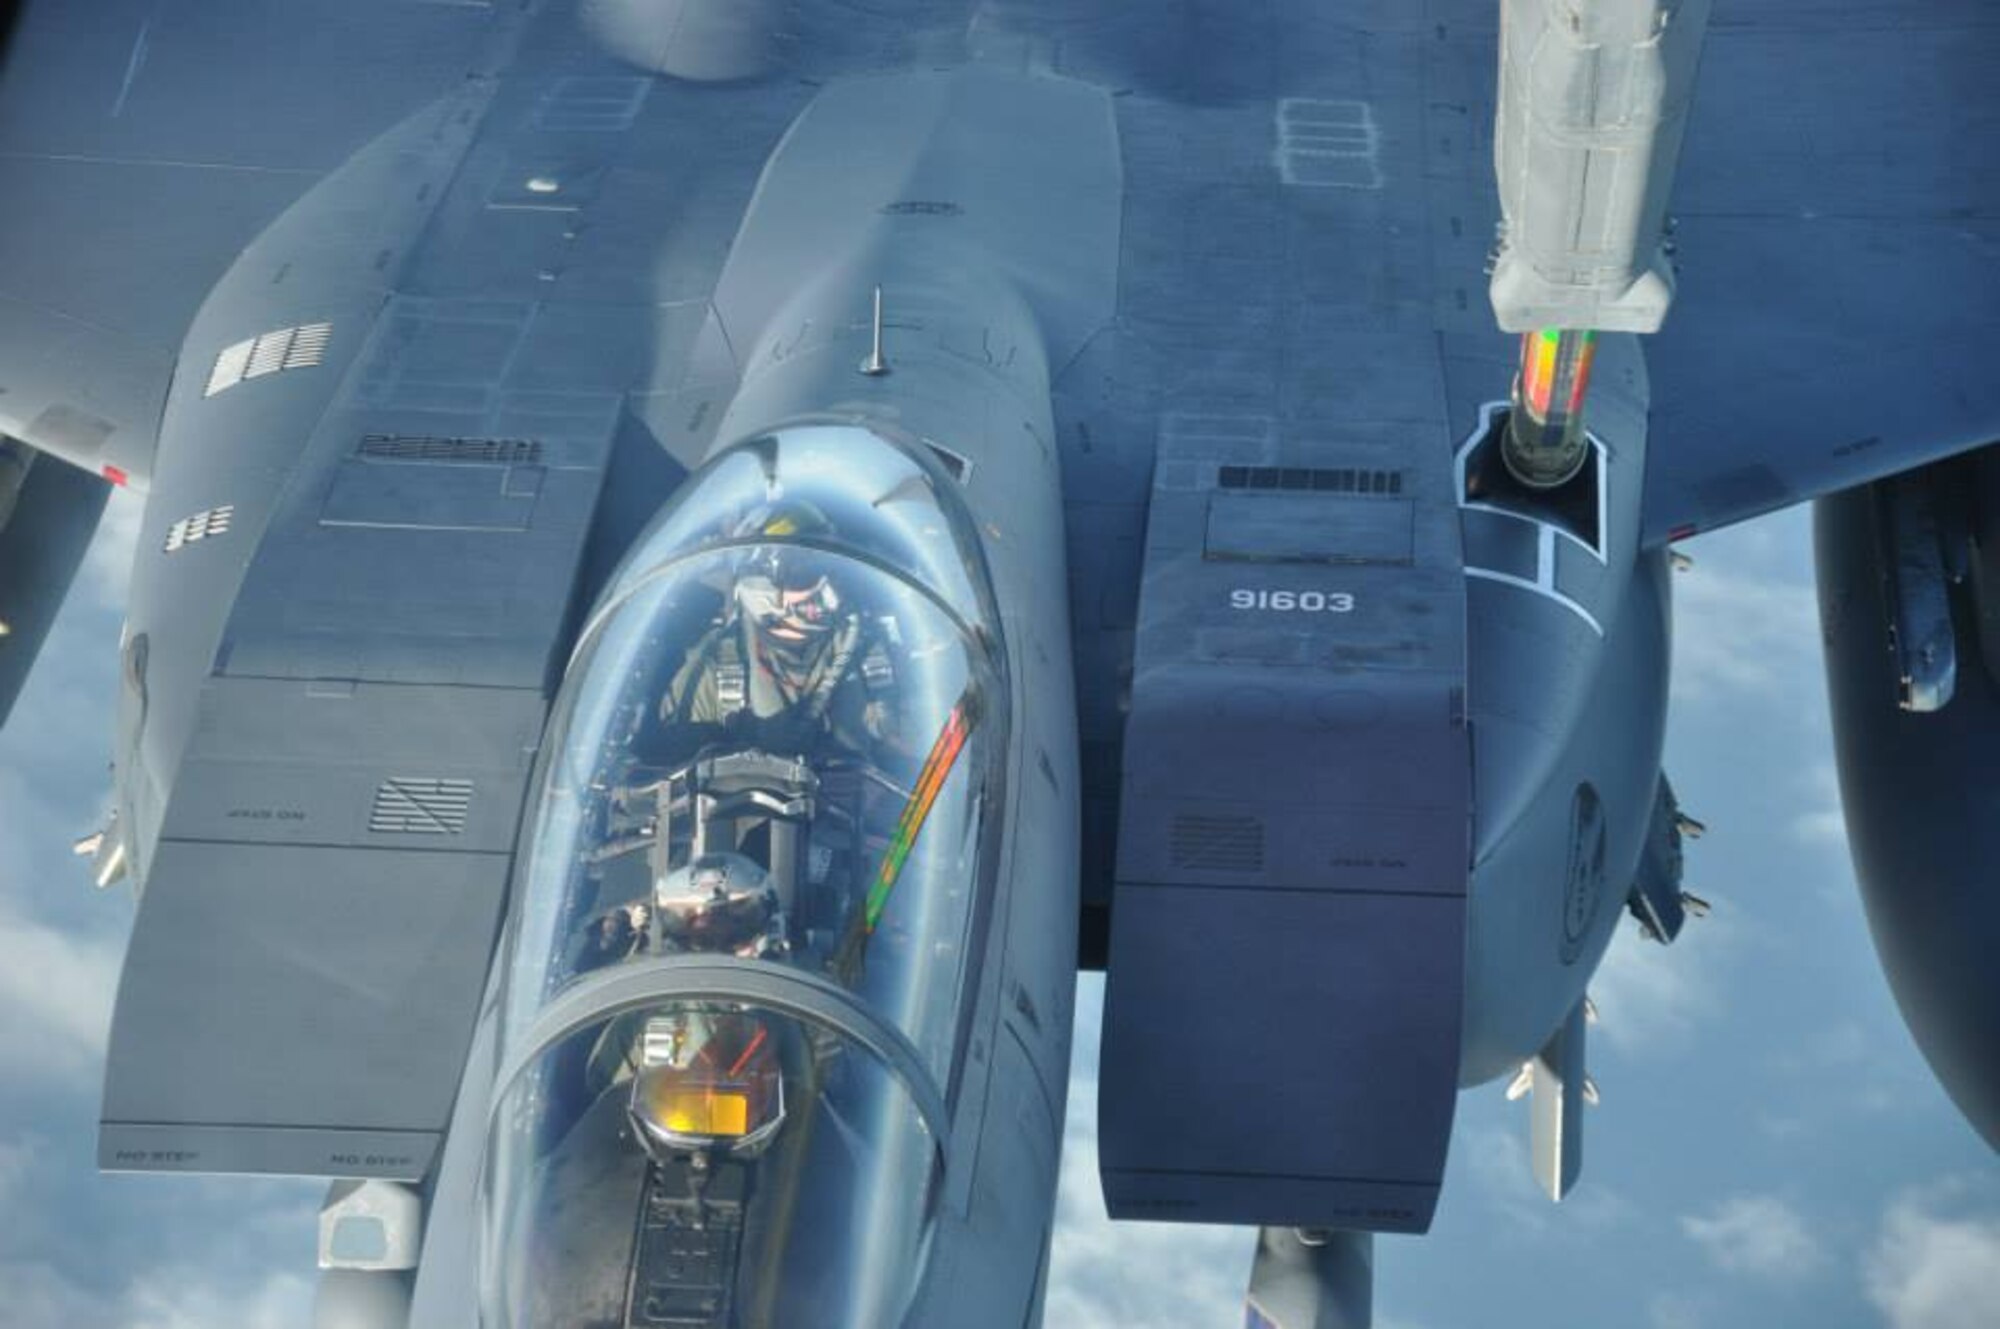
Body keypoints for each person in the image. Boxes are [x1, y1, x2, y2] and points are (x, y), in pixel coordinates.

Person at [658, 500, 904, 766]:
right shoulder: (709, 677)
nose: (826, 584)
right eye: (803, 570)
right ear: (759, 583)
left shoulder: (872, 655)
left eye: (828, 562)